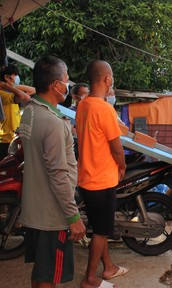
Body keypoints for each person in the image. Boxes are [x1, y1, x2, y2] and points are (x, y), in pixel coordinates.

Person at [18, 55, 86, 288]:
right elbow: (58, 175)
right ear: (55, 85)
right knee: (50, 277)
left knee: (42, 272)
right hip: (52, 215)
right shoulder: (53, 123)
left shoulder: (30, 112)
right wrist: (73, 216)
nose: (68, 85)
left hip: (34, 210)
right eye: (66, 81)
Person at [76, 60, 128, 288]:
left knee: (100, 228)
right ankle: (90, 278)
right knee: (100, 231)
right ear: (107, 78)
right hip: (102, 179)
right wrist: (123, 167)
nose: (113, 80)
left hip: (86, 178)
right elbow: (117, 147)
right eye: (112, 76)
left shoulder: (83, 104)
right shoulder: (105, 108)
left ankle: (108, 267)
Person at [0, 64, 32, 159]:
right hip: (4, 140)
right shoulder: (2, 94)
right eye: (15, 75)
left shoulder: (11, 92)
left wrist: (13, 86)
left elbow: (32, 90)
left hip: (13, 138)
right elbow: (25, 97)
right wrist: (6, 85)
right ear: (7, 77)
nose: (17, 78)